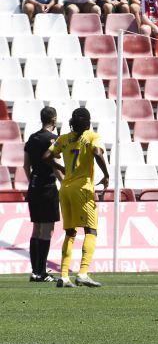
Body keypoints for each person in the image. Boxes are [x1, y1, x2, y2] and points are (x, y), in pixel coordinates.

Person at [44, 107, 109, 288]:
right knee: (91, 230)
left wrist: (62, 168)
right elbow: (97, 153)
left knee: (70, 232)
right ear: (88, 122)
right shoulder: (92, 136)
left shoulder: (63, 138)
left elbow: (46, 156)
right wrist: (106, 175)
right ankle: (83, 273)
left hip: (65, 188)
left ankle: (64, 276)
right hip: (82, 189)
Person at [23, 107, 60, 283]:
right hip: (48, 187)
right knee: (47, 230)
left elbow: (25, 165)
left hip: (34, 186)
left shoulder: (32, 138)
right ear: (54, 119)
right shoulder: (53, 139)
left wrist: (32, 180)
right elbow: (55, 165)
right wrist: (65, 182)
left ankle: (35, 271)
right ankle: (42, 272)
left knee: (36, 228)